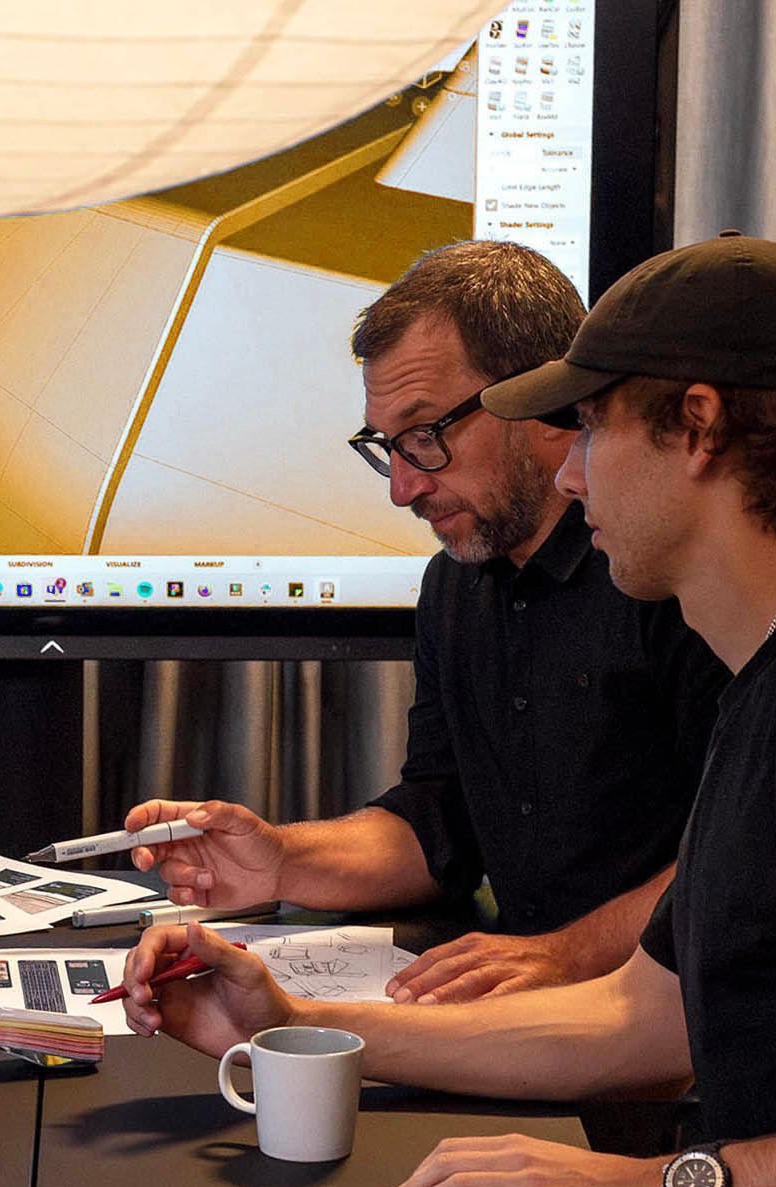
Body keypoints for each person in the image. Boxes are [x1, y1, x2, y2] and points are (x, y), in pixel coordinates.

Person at [124, 234, 776, 1187]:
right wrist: (284, 1018)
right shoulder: (775, 672)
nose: (574, 475)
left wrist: (661, 1186)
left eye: (590, 428)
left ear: (697, 428)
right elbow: (632, 1021)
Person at [128, 240, 725, 1004]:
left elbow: (737, 852)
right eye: (387, 447)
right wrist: (278, 858)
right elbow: (438, 819)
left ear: (540, 400)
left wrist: (560, 955)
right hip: (528, 1003)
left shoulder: (658, 575)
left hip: (663, 1013)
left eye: (424, 437)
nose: (403, 488)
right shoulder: (455, 586)